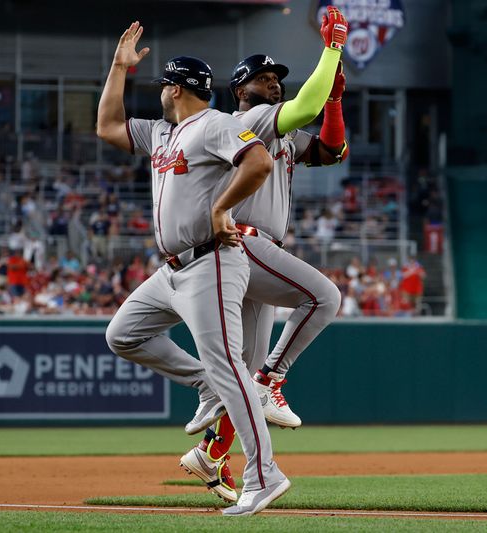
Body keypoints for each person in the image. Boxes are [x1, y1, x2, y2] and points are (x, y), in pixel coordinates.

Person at [96, 22, 283, 516]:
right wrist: (118, 68)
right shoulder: (162, 131)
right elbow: (108, 128)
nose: (160, 91)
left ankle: (264, 475)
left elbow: (259, 161)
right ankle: (205, 385)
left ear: (174, 88)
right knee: (123, 334)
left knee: (231, 367)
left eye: (162, 84)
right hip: (172, 270)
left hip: (212, 262)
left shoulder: (217, 123)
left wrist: (222, 208)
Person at [178, 6, 350, 513]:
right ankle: (275, 382)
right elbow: (303, 108)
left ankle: (211, 453)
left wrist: (336, 101)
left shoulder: (277, 135)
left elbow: (332, 150)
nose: (273, 83)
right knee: (324, 296)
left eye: (277, 78)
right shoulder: (246, 120)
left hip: (253, 254)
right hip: (244, 243)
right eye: (263, 77)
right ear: (240, 90)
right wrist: (333, 50)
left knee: (243, 370)